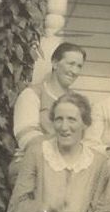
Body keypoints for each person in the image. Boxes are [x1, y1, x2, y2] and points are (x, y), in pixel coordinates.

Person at [10, 43, 87, 180]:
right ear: (55, 63)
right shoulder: (32, 94)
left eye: (79, 66)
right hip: (34, 165)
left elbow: (83, 139)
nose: (74, 71)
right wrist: (67, 151)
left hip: (69, 166)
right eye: (71, 64)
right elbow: (27, 137)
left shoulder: (77, 102)